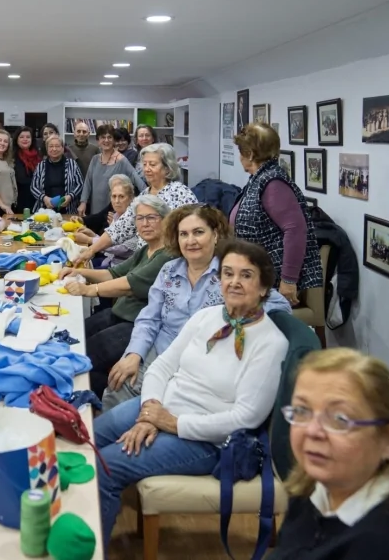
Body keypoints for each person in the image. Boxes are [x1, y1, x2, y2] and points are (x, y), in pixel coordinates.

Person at [94, 240, 289, 545]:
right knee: (83, 441)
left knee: (103, 468)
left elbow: (245, 419)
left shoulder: (271, 343)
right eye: (227, 273)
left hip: (206, 439)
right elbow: (161, 367)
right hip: (160, 409)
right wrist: (150, 413)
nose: (234, 282)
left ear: (265, 287)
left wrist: (171, 423)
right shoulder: (206, 317)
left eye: (246, 275)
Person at [271, 348, 389, 559]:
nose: (312, 431)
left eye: (340, 419)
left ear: (388, 439)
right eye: (301, 411)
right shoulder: (311, 489)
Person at [103, 204, 292, 410]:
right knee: (118, 385)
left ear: (216, 235)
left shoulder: (230, 273)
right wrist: (134, 354)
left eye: (198, 232)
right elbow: (149, 318)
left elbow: (278, 304)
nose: (190, 241)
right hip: (161, 353)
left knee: (157, 410)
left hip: (204, 364)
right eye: (183, 234)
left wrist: (249, 326)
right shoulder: (169, 270)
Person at [59, 195, 174, 398]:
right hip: (119, 313)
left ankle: (105, 400)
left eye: (151, 218)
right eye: (140, 218)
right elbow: (113, 273)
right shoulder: (146, 249)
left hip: (135, 324)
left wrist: (89, 290)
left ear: (165, 220)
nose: (144, 224)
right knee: (72, 339)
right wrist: (80, 272)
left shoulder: (167, 256)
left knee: (83, 358)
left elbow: (128, 285)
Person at [231, 123, 323, 303]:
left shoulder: (272, 182)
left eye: (241, 151)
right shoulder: (260, 178)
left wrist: (288, 281)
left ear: (250, 154)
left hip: (270, 281)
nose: (240, 156)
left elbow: (296, 230)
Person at [74, 143, 197, 265]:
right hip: (144, 261)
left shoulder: (180, 192)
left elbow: (192, 230)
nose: (147, 169)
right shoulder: (144, 195)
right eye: (145, 164)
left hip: (169, 263)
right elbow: (119, 229)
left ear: (167, 167)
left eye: (152, 164)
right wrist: (91, 250)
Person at [77, 124, 143, 217]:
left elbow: (137, 180)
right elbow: (88, 182)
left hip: (112, 213)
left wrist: (149, 197)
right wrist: (83, 202)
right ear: (98, 141)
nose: (106, 140)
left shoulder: (122, 160)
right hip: (94, 209)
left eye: (109, 137)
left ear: (114, 140)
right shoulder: (95, 159)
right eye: (103, 137)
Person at [30, 135, 84, 214]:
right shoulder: (41, 165)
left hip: (68, 210)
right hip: (44, 210)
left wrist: (70, 196)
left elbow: (80, 184)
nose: (54, 149)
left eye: (57, 146)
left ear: (62, 149)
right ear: (47, 149)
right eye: (51, 146)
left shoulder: (72, 164)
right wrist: (44, 198)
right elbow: (33, 187)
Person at [13, 126, 40, 213]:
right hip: (20, 199)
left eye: (28, 137)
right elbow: (21, 179)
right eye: (21, 137)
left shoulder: (38, 156)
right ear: (16, 139)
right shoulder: (12, 156)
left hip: (37, 199)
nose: (25, 139)